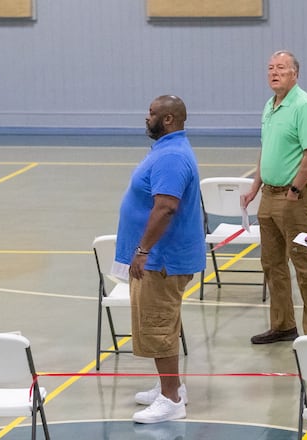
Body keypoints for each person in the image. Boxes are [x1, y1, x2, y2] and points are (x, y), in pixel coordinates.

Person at [113, 95, 205, 424]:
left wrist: (143, 250)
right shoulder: (167, 150)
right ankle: (170, 385)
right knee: (160, 322)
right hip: (159, 257)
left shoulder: (172, 157)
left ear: (168, 119)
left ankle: (171, 399)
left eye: (151, 113)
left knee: (159, 325)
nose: (145, 117)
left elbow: (166, 207)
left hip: (161, 259)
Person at [242, 50, 307, 344]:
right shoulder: (270, 104)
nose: (274, 73)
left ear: (295, 73)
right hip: (269, 194)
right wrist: (255, 185)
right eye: (270, 68)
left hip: (296, 196)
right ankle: (282, 325)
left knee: (303, 263)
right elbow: (266, 149)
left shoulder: (304, 106)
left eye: (281, 68)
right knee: (272, 263)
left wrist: (295, 189)